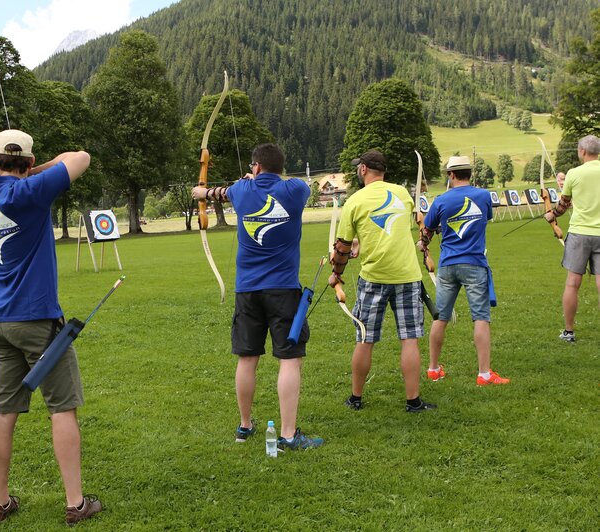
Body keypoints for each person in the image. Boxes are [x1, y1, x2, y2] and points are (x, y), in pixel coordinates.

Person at [0, 130, 101, 525]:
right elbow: (81, 154)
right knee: (62, 409)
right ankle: (75, 503)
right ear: (30, 163)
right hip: (37, 321)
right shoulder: (34, 190)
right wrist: (40, 167)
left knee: (3, 411)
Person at [191, 143, 323, 451]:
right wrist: (258, 177)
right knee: (289, 360)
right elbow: (291, 184)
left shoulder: (241, 190)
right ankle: (288, 435)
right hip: (283, 290)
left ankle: (245, 425)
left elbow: (221, 192)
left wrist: (207, 193)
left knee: (247, 358)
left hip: (247, 290)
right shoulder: (295, 191)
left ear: (256, 167)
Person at [328, 150, 436, 413]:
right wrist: (359, 242)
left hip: (374, 277)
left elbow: (341, 247)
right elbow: (391, 227)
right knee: (410, 339)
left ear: (363, 169)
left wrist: (337, 274)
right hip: (407, 275)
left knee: (365, 340)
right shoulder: (401, 194)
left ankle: (356, 398)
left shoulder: (355, 201)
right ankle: (413, 401)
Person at [418, 156, 509, 385]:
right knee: (480, 318)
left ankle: (433, 369)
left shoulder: (441, 201)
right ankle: (484, 374)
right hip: (475, 263)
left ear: (450, 175)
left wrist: (426, 240)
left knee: (441, 318)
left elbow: (426, 233)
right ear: (470, 172)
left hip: (448, 265)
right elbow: (483, 219)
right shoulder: (484, 196)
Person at [545, 134, 600, 343]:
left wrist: (552, 215)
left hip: (580, 234)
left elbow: (563, 204)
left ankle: (569, 332)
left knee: (572, 284)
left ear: (583, 151)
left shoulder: (574, 173)